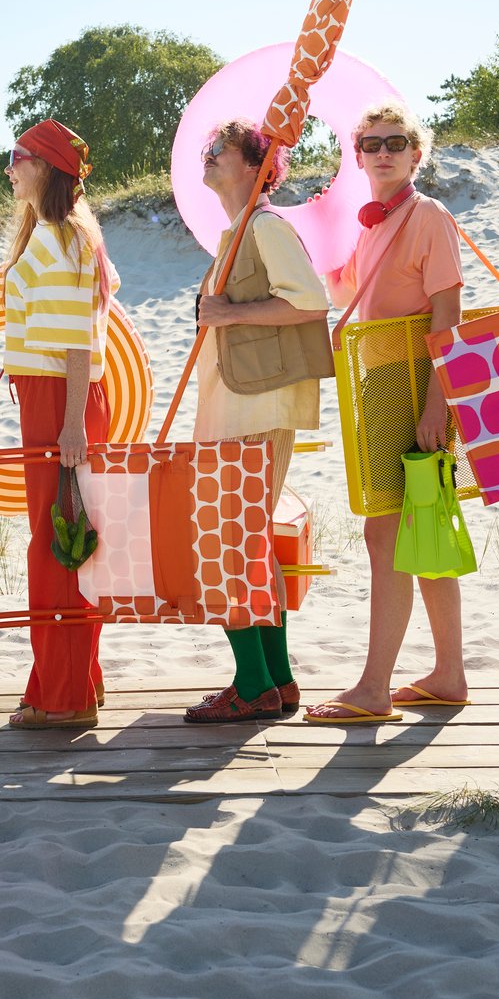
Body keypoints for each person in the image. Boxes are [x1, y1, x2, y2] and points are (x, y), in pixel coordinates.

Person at [304, 103, 467, 725]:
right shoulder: (375, 222)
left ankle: (374, 688)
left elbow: (448, 313)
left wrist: (436, 402)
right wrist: (323, 225)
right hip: (382, 376)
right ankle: (449, 674)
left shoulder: (427, 216)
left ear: (416, 153)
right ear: (358, 154)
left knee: (388, 533)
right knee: (424, 527)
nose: (382, 152)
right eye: (370, 144)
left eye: (395, 142)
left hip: (415, 377)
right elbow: (348, 293)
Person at [184, 118, 332, 724]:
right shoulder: (236, 233)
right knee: (247, 542)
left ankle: (252, 683)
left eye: (217, 150)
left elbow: (310, 300)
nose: (207, 157)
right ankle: (276, 679)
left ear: (254, 164)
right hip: (238, 406)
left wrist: (227, 312)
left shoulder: (267, 227)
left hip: (253, 409)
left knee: (227, 543)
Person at [3, 119, 118, 730]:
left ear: (45, 165)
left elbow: (77, 342)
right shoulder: (65, 233)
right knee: (65, 541)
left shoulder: (63, 236)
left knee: (57, 547)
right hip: (52, 400)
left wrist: (71, 423)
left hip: (60, 403)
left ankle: (64, 695)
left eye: (16, 157)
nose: (9, 168)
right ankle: (74, 683)